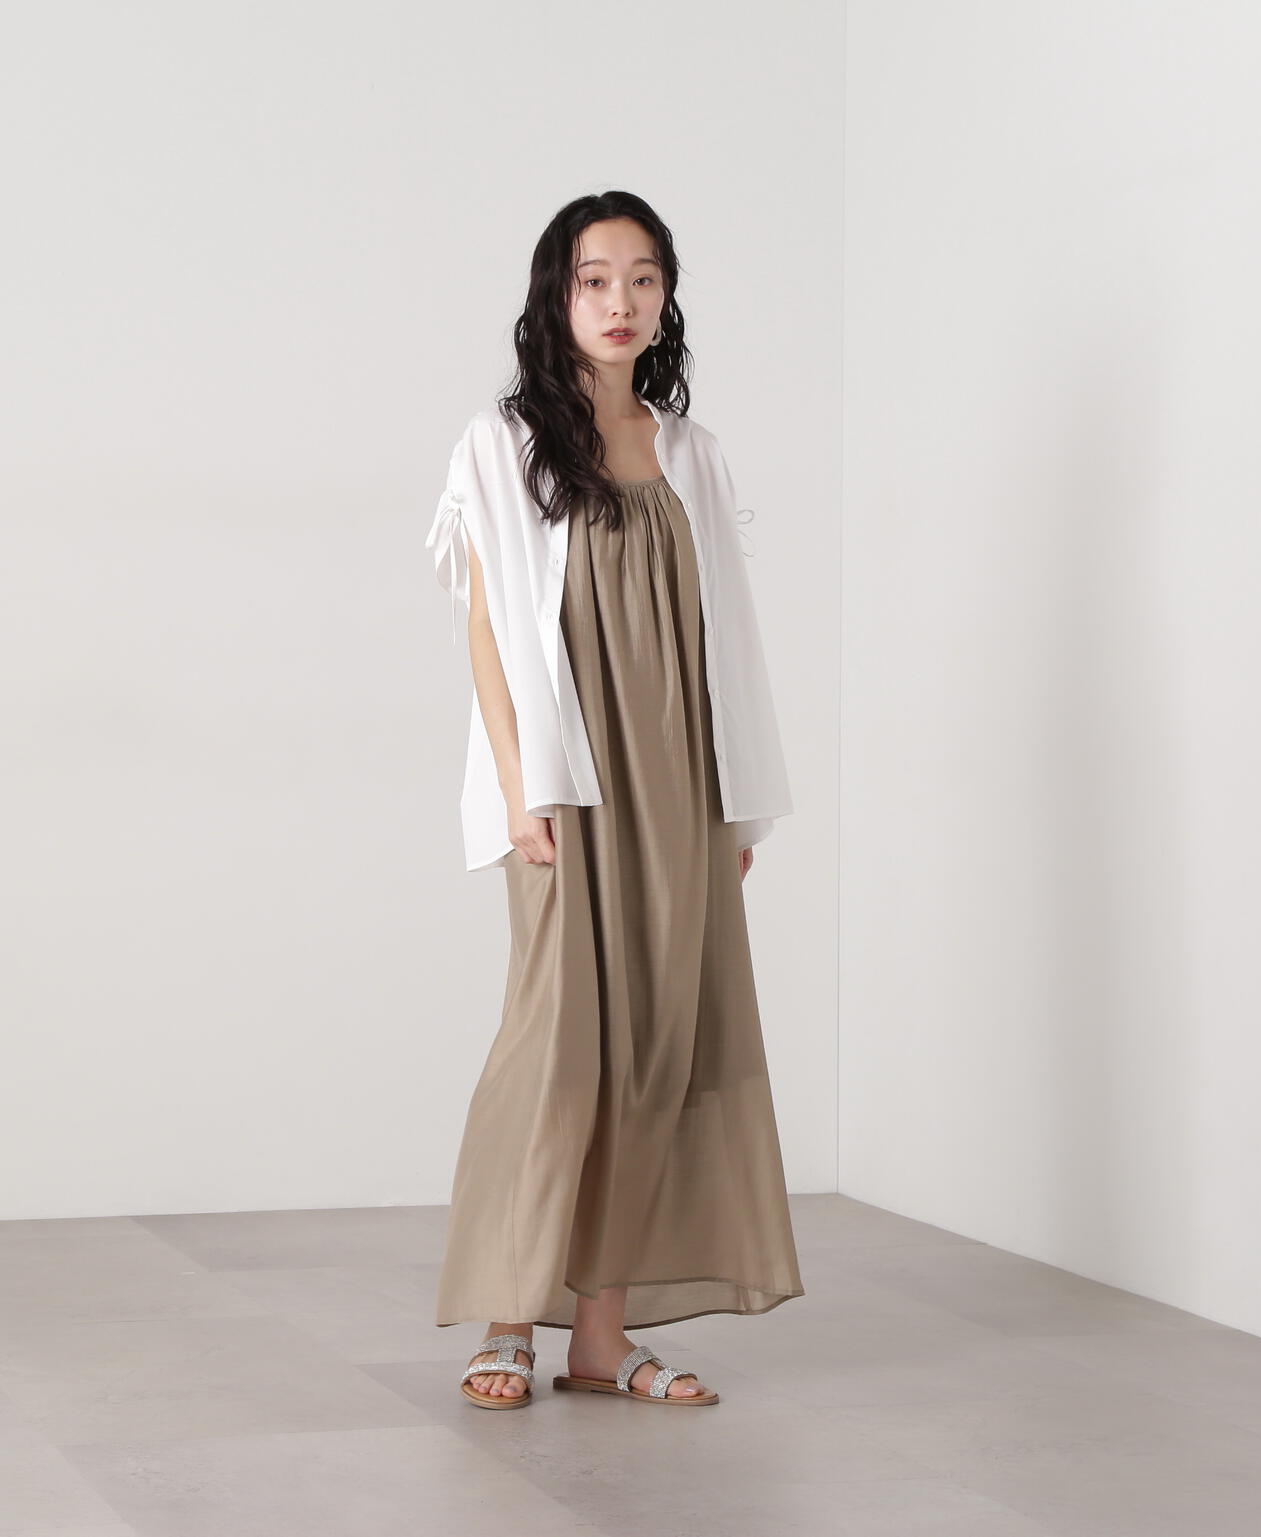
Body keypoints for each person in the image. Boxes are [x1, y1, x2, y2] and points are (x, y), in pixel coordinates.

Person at [426, 190, 803, 1409]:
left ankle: (599, 1337)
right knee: (558, 1050)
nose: (620, 301)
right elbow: (488, 632)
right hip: (566, 786)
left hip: (680, 785)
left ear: (664, 296)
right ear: (558, 294)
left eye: (642, 278)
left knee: (652, 1053)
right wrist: (520, 787)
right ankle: (507, 1318)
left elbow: (724, 638)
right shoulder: (503, 442)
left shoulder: (691, 451)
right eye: (594, 279)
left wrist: (731, 806)